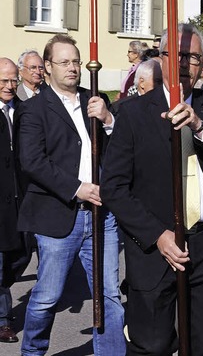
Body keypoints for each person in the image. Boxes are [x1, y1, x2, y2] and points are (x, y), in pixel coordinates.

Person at [101, 23, 203, 356]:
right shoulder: (133, 114)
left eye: (191, 57)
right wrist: (157, 235)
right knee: (153, 344)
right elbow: (114, 187)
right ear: (161, 59)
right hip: (155, 245)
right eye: (174, 56)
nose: (182, 65)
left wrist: (200, 127)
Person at [18, 34, 125, 356]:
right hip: (58, 215)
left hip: (100, 217)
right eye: (64, 62)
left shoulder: (95, 99)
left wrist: (108, 120)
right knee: (47, 296)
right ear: (48, 67)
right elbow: (32, 161)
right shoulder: (35, 109)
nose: (73, 68)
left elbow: (118, 148)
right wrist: (77, 188)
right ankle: (32, 351)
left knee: (108, 295)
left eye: (76, 61)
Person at [0, 58, 30, 344]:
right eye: (3, 81)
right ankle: (4, 321)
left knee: (22, 255)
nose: (10, 87)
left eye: (13, 81)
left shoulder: (21, 111)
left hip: (20, 199)